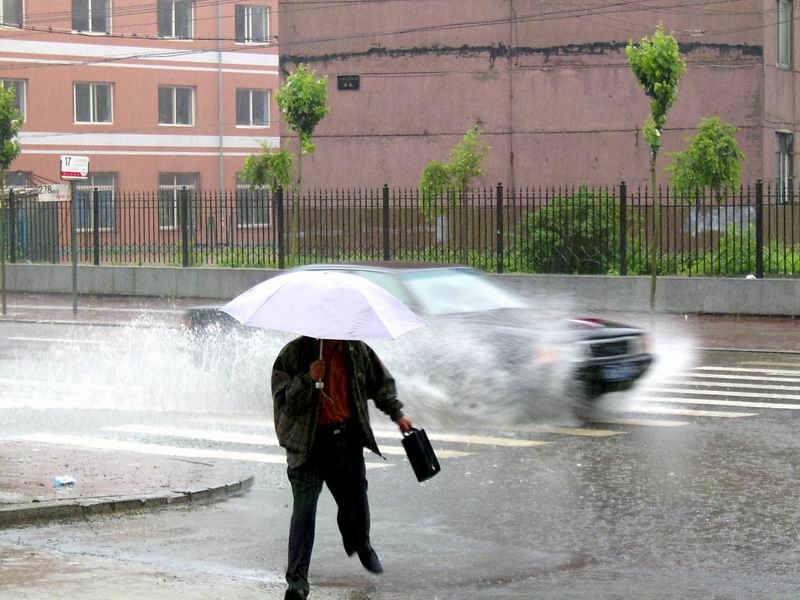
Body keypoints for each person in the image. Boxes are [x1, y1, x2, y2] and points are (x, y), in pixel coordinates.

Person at [272, 336, 413, 600]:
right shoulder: (293, 353)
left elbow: (381, 383)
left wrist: (398, 415)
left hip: (346, 441)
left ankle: (362, 544)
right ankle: (297, 582)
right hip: (307, 445)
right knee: (304, 512)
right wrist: (307, 378)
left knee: (356, 501)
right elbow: (284, 401)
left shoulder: (357, 350)